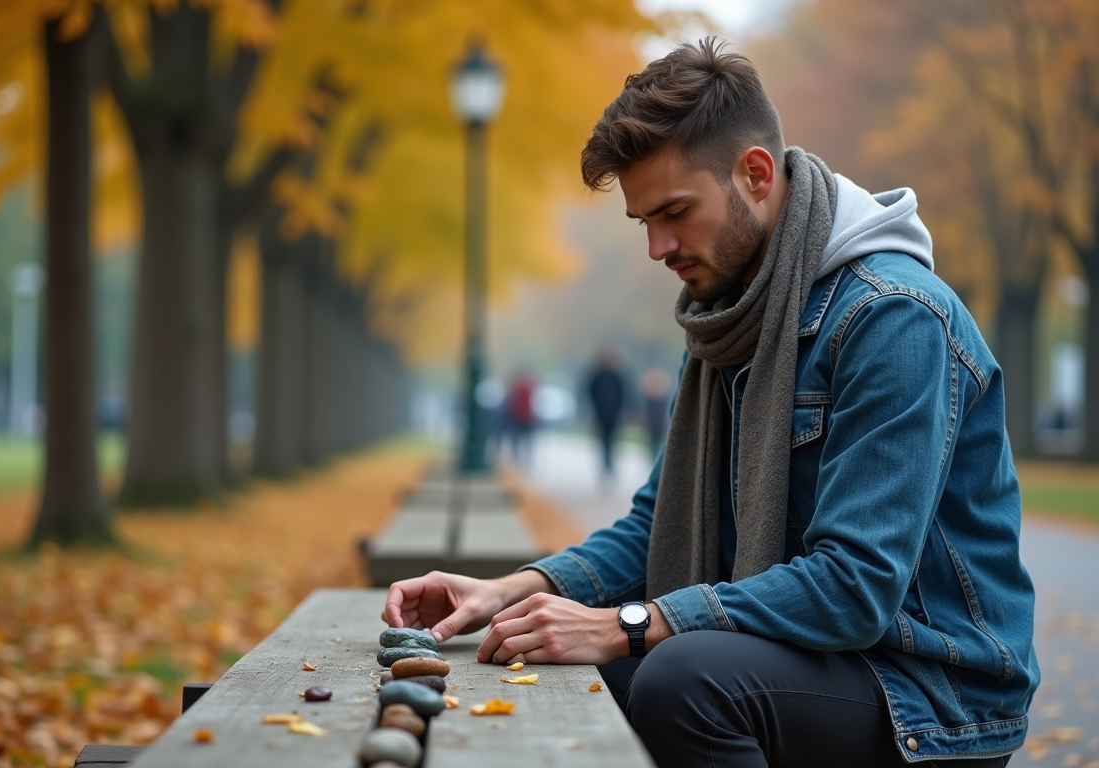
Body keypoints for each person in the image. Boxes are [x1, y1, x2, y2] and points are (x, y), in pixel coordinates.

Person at [383, 38, 1037, 767]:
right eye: (643, 224)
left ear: (755, 173)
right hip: (814, 660)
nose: (658, 249)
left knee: (678, 679)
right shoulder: (734, 313)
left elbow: (855, 585)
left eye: (674, 213)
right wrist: (511, 591)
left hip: (927, 691)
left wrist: (632, 622)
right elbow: (652, 525)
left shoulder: (893, 318)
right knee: (565, 658)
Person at [585, 348, 625, 479]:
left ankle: (610, 464)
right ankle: (605, 465)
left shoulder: (616, 376)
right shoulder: (596, 376)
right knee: (603, 440)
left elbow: (623, 394)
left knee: (612, 440)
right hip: (601, 413)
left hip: (614, 414)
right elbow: (589, 393)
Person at [505, 371, 537, 467]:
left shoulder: (517, 388)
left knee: (517, 441)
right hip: (525, 418)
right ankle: (524, 460)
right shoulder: (529, 388)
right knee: (525, 442)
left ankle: (517, 459)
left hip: (519, 418)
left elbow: (510, 403)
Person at [639, 367, 670, 459]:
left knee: (660, 441)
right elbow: (646, 412)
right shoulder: (648, 399)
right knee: (653, 441)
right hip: (652, 422)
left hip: (660, 422)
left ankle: (658, 457)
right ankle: (654, 456)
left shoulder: (663, 398)